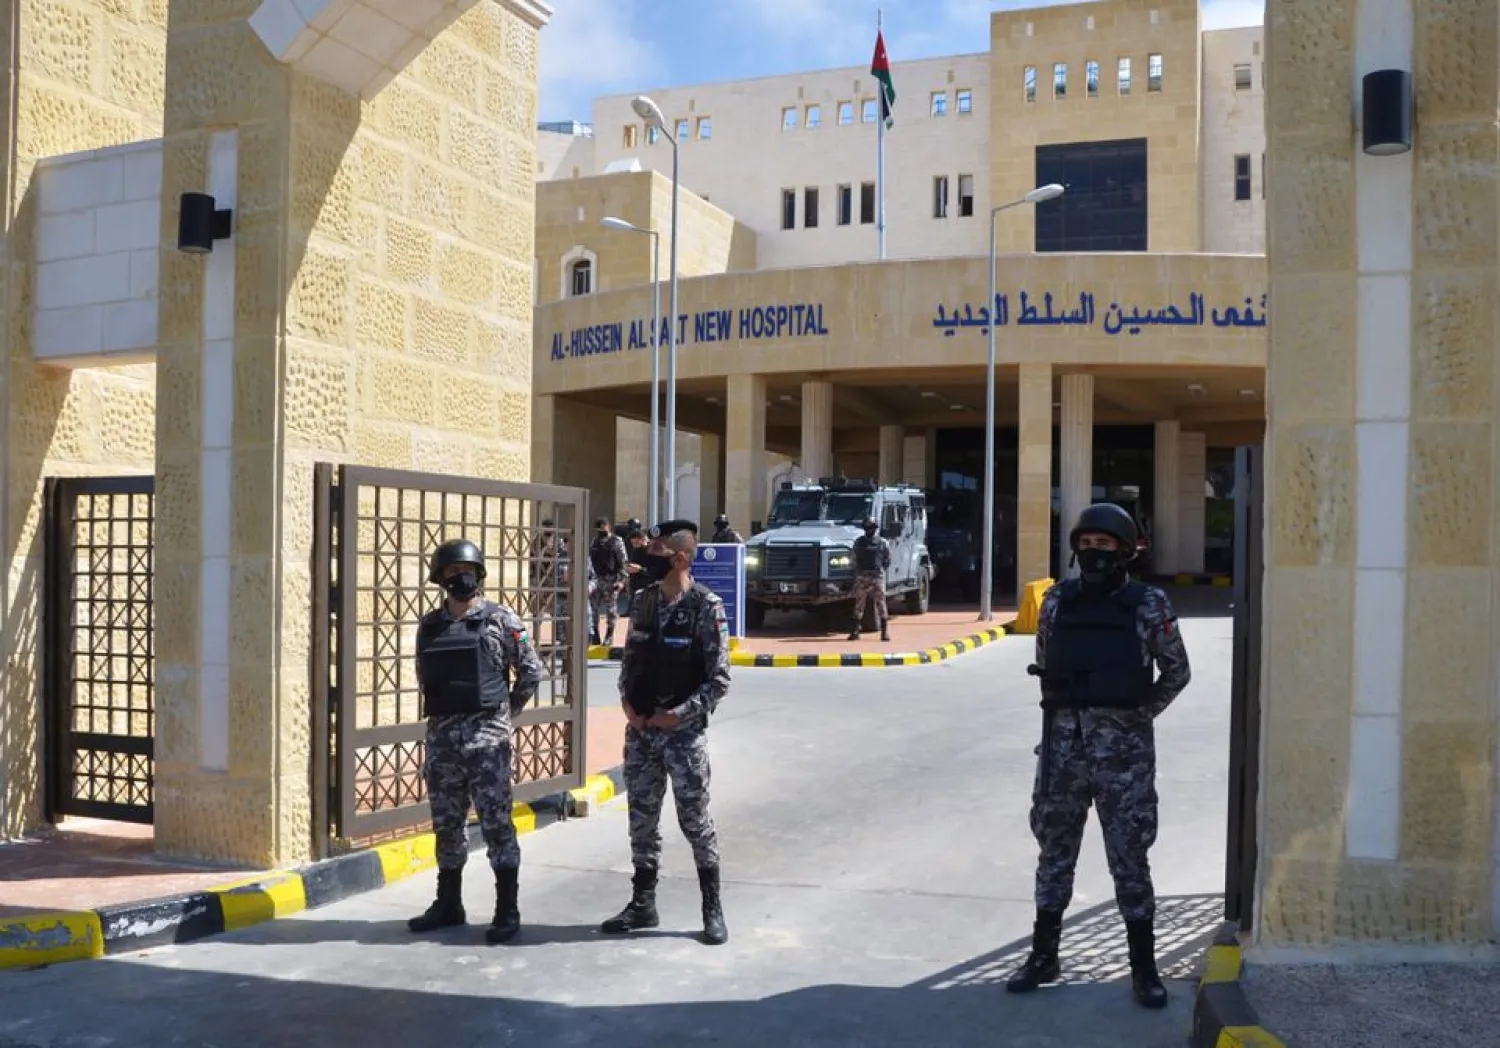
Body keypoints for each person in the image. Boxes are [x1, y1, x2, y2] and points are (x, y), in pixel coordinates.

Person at [1006, 502, 1191, 1009]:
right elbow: (1046, 663)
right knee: (1054, 853)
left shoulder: (1148, 604)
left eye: (1104, 545)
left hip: (1124, 760)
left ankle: (1143, 969)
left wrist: (1139, 714)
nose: (1093, 553)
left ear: (1125, 551)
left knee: (1130, 857)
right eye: (1086, 545)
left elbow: (1176, 671)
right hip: (1063, 753)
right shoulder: (1056, 602)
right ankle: (1043, 956)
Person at [600, 518, 731, 946]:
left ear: (680, 559)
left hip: (683, 737)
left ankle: (711, 907)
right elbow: (630, 661)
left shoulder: (706, 606)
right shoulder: (643, 602)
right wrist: (627, 704)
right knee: (642, 821)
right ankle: (643, 903)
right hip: (641, 734)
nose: (647, 558)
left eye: (656, 553)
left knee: (695, 822)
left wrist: (679, 715)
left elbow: (719, 680)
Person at [408, 538, 544, 945]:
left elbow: (531, 671)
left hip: (488, 744)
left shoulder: (502, 619)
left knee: (497, 825)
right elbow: (424, 676)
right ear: (441, 578)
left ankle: (507, 909)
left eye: (467, 570)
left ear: (479, 574)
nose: (460, 577)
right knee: (447, 826)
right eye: (452, 572)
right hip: (443, 743)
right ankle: (449, 903)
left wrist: (503, 715)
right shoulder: (430, 625)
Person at [588, 516, 630, 646]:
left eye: (603, 529)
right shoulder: (595, 541)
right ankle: (595, 636)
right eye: (598, 530)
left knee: (611, 610)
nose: (601, 532)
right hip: (596, 579)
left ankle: (609, 636)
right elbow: (590, 560)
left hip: (611, 580)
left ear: (608, 527)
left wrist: (621, 581)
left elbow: (623, 562)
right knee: (593, 610)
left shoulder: (616, 541)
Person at [848, 516, 891, 642]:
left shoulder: (882, 542)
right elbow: (853, 558)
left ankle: (884, 632)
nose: (869, 529)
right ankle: (855, 631)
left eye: (871, 527)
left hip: (877, 576)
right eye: (868, 527)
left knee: (881, 604)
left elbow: (888, 559)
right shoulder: (859, 542)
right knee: (859, 604)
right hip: (863, 576)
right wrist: (857, 571)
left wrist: (881, 570)